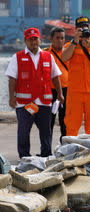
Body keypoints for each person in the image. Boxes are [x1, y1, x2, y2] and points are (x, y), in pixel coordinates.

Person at [5, 28, 63, 158]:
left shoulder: (48, 56)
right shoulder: (18, 57)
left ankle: (46, 155)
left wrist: (60, 93)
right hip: (24, 103)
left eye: (35, 39)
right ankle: (24, 156)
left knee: (46, 131)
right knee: (24, 131)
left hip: (44, 101)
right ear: (25, 41)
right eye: (30, 39)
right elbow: (12, 79)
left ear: (40, 39)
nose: (33, 42)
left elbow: (55, 76)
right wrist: (11, 98)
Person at [61, 16, 90, 136]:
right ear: (76, 30)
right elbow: (64, 58)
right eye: (80, 28)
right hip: (74, 92)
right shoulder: (69, 45)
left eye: (86, 27)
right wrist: (74, 41)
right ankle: (72, 151)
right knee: (71, 126)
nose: (84, 30)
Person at [44, 27, 68, 143]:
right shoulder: (45, 54)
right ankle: (46, 149)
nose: (60, 40)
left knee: (66, 122)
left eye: (62, 38)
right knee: (49, 121)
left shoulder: (69, 52)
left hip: (67, 91)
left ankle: (65, 147)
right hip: (50, 91)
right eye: (57, 38)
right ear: (51, 39)